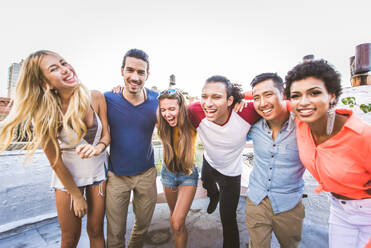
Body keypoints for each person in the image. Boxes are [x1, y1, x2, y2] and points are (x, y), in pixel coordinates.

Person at [0, 50, 110, 248]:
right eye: (54, 69)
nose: (65, 69)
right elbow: (55, 161)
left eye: (64, 63)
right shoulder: (45, 113)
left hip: (98, 175)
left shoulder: (96, 97)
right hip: (67, 181)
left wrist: (98, 148)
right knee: (70, 238)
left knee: (96, 231)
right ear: (45, 83)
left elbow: (106, 135)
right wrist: (76, 195)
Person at [284, 59, 371, 248]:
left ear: (331, 95)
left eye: (314, 93)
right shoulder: (301, 121)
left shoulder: (363, 137)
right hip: (339, 211)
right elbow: (268, 101)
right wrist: (235, 97)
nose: (304, 101)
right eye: (296, 95)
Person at [188, 75, 260, 248]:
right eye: (205, 96)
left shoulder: (246, 112)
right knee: (207, 184)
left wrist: (246, 97)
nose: (208, 103)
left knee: (228, 218)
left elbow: (275, 100)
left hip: (231, 173)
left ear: (230, 100)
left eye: (216, 97)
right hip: (209, 162)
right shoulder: (195, 111)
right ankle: (214, 196)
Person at [104, 49, 158, 248]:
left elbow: (177, 116)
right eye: (130, 70)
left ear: (147, 75)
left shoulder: (157, 100)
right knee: (115, 232)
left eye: (141, 72)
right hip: (117, 177)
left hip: (147, 174)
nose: (135, 77)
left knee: (143, 225)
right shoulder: (108, 98)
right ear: (122, 71)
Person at [245, 73, 305, 248]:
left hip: (289, 206)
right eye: (256, 97)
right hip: (256, 201)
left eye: (268, 94)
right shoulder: (254, 128)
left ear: (283, 95)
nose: (262, 103)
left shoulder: (303, 126)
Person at [157, 89, 198, 248]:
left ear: (181, 108)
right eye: (163, 110)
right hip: (168, 174)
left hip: (188, 174)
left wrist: (238, 99)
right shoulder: (161, 122)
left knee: (176, 221)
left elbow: (213, 105)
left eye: (172, 109)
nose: (167, 114)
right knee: (176, 220)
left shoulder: (192, 120)